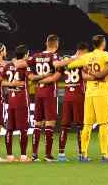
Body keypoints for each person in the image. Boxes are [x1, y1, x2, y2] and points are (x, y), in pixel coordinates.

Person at [65, 34, 108, 163]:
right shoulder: (104, 55)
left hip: (89, 93)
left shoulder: (87, 56)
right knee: (103, 124)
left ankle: (83, 154)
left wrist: (84, 67)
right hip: (101, 92)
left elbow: (70, 66)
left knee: (87, 125)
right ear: (103, 43)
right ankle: (105, 155)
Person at [29, 34, 67, 162]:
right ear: (56, 45)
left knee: (38, 123)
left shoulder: (36, 56)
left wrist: (36, 78)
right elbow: (57, 67)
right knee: (50, 122)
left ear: (46, 43)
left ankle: (34, 154)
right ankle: (48, 155)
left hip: (38, 91)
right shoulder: (54, 56)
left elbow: (25, 64)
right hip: (50, 92)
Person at [57, 41, 89, 162]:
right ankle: (81, 154)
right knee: (80, 126)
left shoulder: (67, 59)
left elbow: (59, 67)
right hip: (78, 95)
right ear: (83, 51)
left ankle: (61, 154)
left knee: (65, 126)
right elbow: (85, 76)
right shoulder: (82, 61)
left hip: (67, 96)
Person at [2, 45, 32, 162]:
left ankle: (9, 156)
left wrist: (11, 84)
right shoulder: (25, 66)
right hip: (21, 100)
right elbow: (31, 78)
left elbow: (2, 82)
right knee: (23, 129)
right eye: (28, 54)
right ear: (25, 55)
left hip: (11, 100)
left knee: (9, 128)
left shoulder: (9, 65)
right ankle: (23, 156)